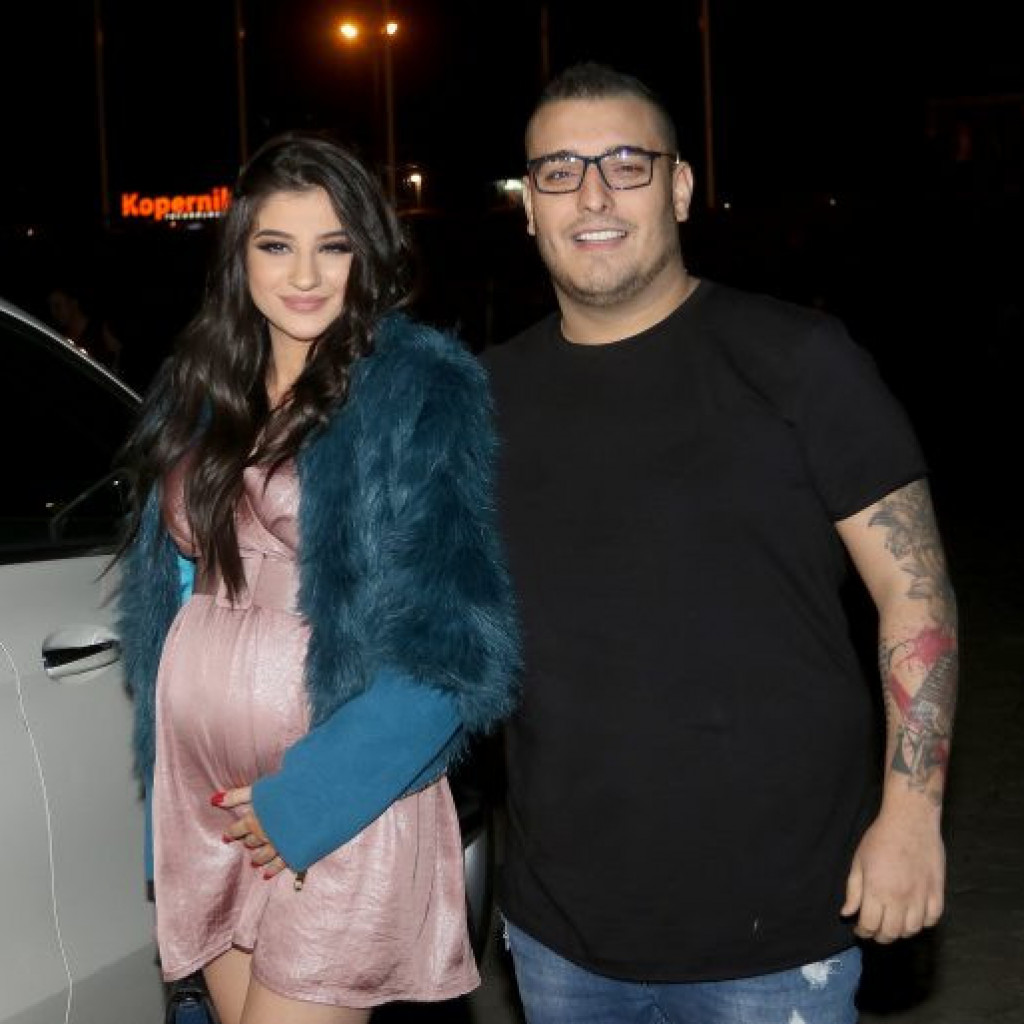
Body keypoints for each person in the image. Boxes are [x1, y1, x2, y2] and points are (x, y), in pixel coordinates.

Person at [481, 62, 958, 1024]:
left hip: (777, 929)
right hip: (558, 929)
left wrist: (911, 818)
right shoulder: (483, 397)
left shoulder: (799, 360)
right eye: (560, 171)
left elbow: (916, 592)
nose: (594, 195)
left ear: (681, 187)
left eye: (626, 162)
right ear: (530, 206)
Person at [115, 132, 519, 1024]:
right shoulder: (202, 385)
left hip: (337, 798)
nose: (305, 275)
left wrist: (310, 800)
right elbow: (172, 597)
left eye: (332, 246)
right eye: (277, 245)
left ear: (366, 255)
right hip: (207, 797)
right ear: (240, 255)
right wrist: (168, 794)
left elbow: (453, 647)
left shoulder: (415, 390)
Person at [46, 280, 123, 373]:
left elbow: (119, 361)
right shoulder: (61, 337)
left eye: (57, 306)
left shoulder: (102, 329)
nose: (53, 313)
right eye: (51, 307)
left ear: (73, 303)